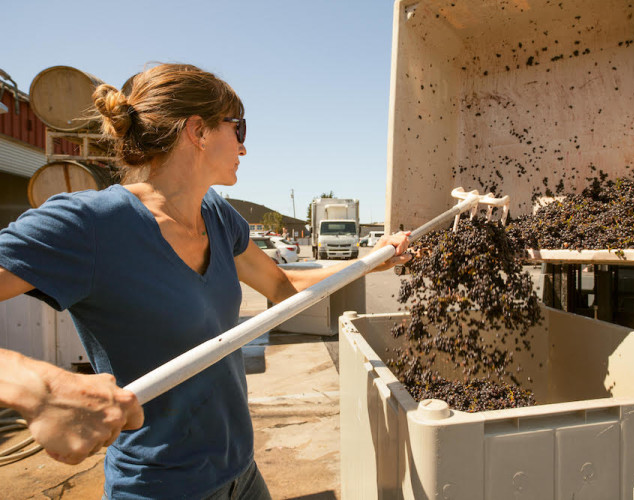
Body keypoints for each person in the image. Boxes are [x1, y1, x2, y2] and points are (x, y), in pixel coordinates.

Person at [0, 63, 410, 499]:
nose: (244, 147)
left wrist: (373, 260)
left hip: (241, 473)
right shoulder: (88, 224)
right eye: (239, 129)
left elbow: (282, 285)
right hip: (160, 486)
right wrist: (38, 387)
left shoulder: (215, 214)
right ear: (198, 130)